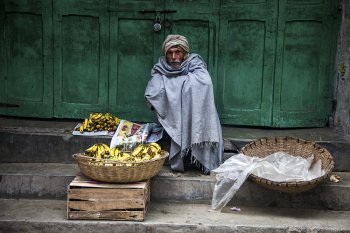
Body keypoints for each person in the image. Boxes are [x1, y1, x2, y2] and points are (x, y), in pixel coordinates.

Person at [145, 35, 223, 174]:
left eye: (178, 52)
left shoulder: (195, 63)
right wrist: (184, 84)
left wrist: (170, 84)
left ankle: (200, 160)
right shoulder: (160, 67)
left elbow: (205, 83)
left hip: (195, 115)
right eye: (170, 53)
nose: (173, 56)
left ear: (185, 54)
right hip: (174, 119)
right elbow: (153, 91)